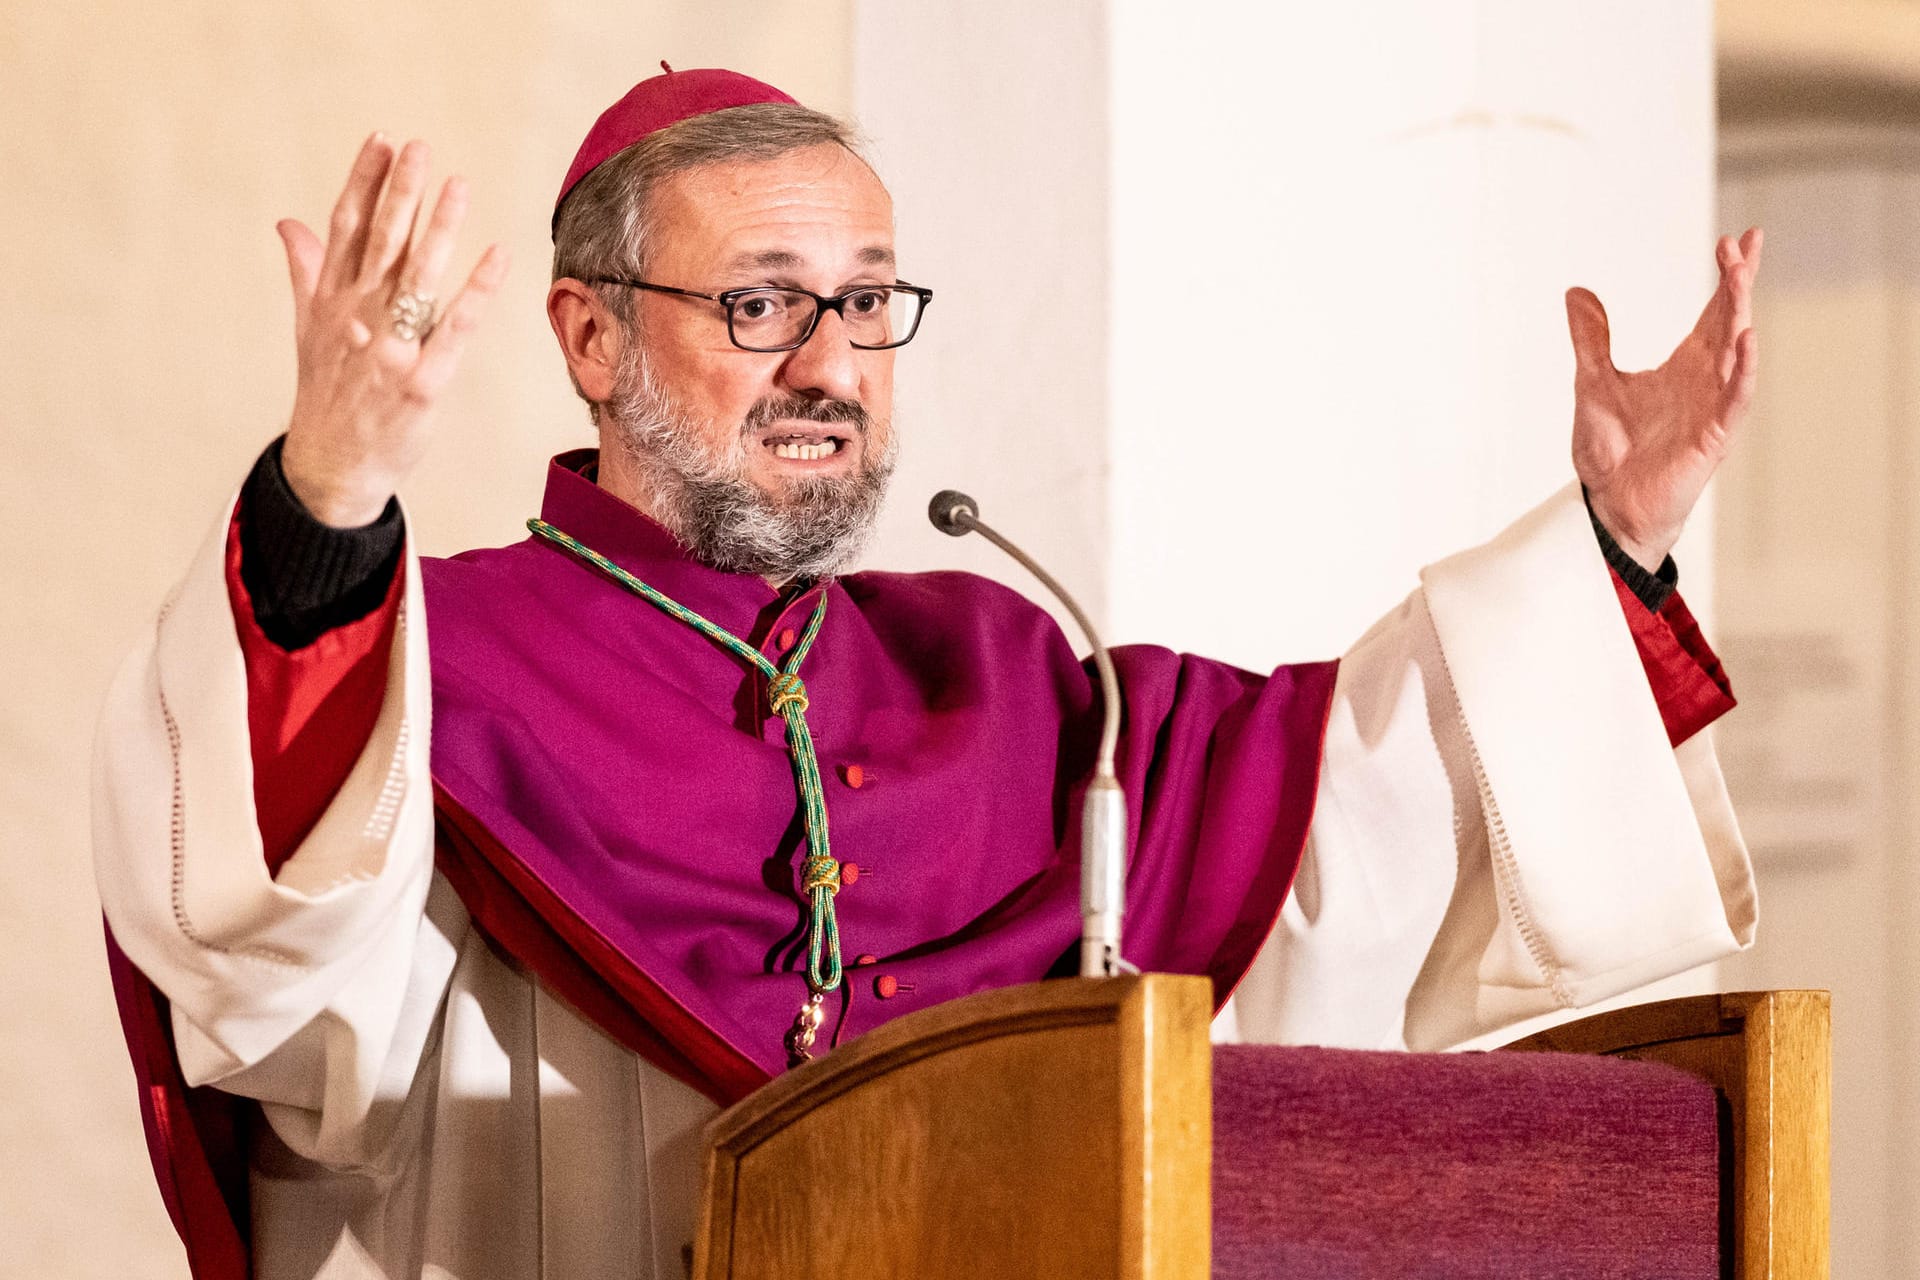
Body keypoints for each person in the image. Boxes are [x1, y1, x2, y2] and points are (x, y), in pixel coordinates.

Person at [94, 66, 1759, 1280]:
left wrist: (1612, 539)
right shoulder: (432, 665)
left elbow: (1339, 806)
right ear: (592, 341)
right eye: (761, 304)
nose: (831, 365)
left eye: (871, 305)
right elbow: (267, 967)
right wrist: (326, 502)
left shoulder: (1005, 673)